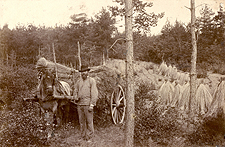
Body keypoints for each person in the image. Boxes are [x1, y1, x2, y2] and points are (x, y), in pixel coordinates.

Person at [73, 64, 98, 142]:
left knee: (89, 121)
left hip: (88, 104)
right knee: (81, 121)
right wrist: (75, 96)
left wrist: (92, 105)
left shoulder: (91, 81)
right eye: (82, 72)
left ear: (88, 72)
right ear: (81, 73)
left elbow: (94, 93)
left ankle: (90, 137)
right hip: (79, 105)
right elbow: (75, 90)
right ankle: (83, 136)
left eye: (85, 71)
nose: (83, 73)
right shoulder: (78, 81)